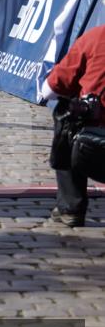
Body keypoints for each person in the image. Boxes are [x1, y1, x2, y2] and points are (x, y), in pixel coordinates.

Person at [41, 25, 105, 227]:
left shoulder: (95, 37)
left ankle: (71, 207)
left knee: (67, 118)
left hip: (96, 133)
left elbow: (52, 88)